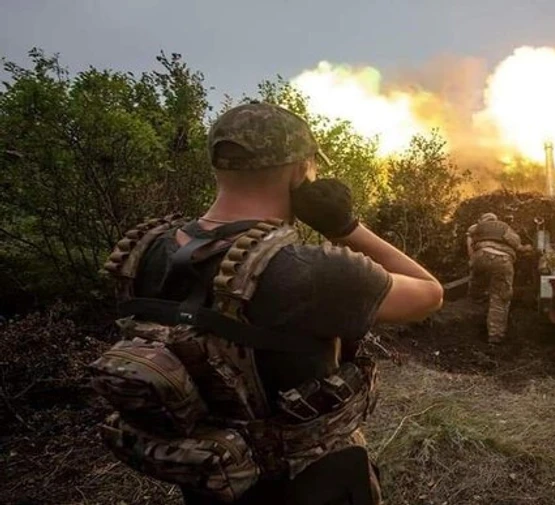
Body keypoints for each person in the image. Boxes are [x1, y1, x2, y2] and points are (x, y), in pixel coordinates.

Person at [95, 102, 443, 504]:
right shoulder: (312, 270)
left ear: (217, 167)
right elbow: (428, 293)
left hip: (213, 479)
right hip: (315, 482)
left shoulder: (147, 251)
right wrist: (347, 228)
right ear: (300, 171)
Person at [466, 212, 531, 343]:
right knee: (500, 296)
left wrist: (472, 258)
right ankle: (495, 335)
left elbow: (469, 241)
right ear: (495, 220)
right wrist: (527, 248)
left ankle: (474, 303)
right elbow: (517, 245)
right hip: (502, 260)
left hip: (480, 257)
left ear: (481, 219)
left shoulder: (476, 227)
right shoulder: (503, 227)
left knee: (477, 284)